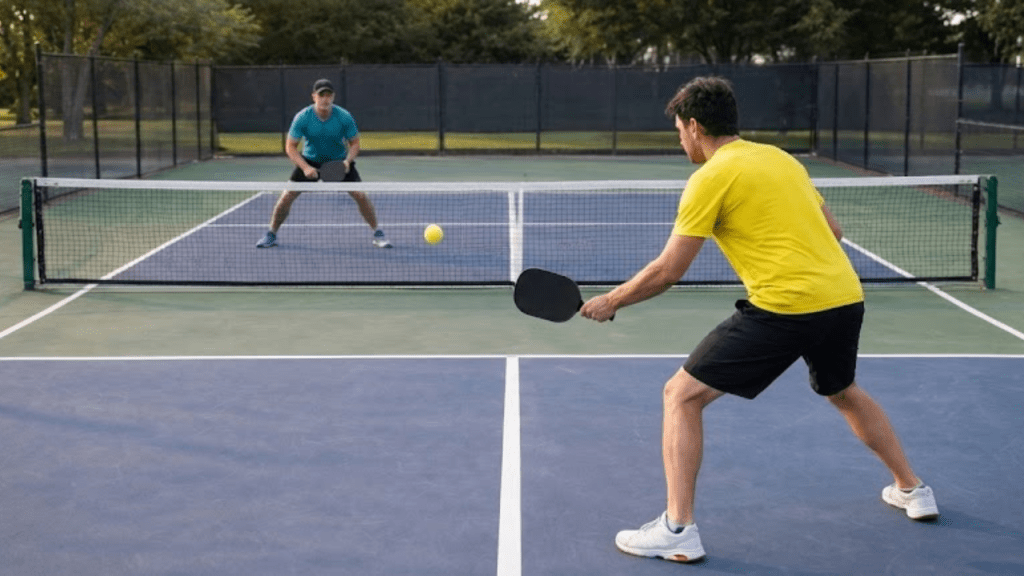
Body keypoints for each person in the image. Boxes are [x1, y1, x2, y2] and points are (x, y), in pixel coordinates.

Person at [580, 76, 938, 563]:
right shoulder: (779, 158)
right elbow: (834, 229)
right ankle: (913, 489)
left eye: (679, 130)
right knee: (842, 391)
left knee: (680, 396)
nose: (680, 139)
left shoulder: (710, 177)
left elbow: (669, 270)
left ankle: (677, 528)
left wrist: (613, 300)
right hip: (843, 298)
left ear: (695, 125)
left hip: (785, 307)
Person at [256, 78, 392, 249]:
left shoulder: (344, 116)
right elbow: (290, 147)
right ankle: (271, 234)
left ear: (333, 97)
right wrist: (305, 168)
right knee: (286, 197)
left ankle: (378, 233)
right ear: (314, 96)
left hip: (338, 162)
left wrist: (347, 161)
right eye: (321, 95)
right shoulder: (303, 117)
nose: (325, 99)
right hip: (310, 161)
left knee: (360, 195)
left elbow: (355, 143)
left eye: (328, 95)